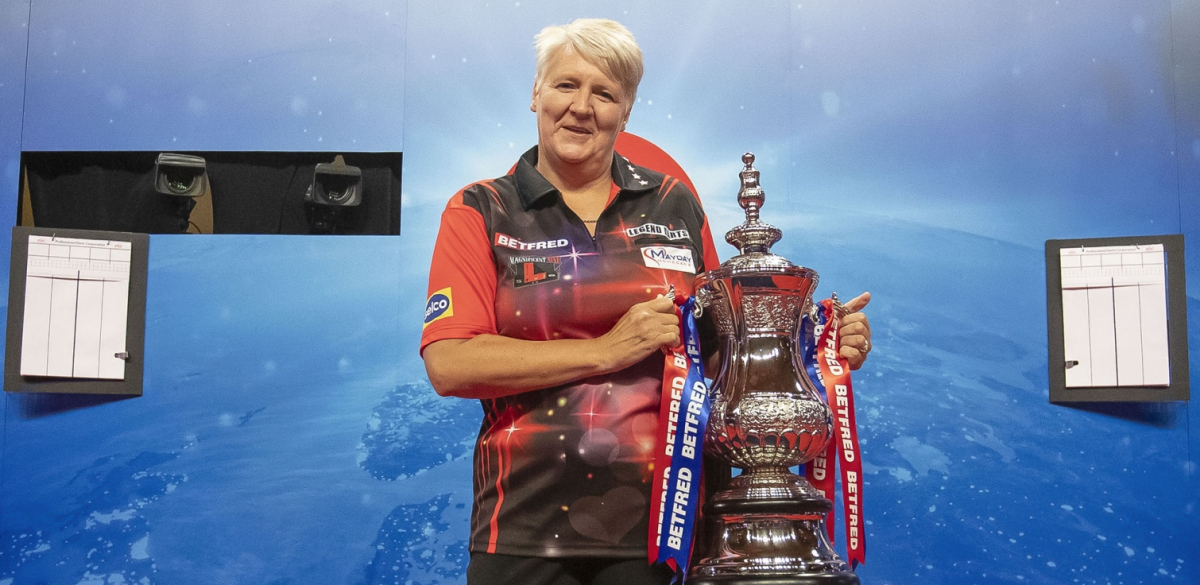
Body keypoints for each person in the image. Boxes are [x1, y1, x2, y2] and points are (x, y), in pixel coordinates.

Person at [420, 18, 872, 585]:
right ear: (535, 93)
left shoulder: (672, 203)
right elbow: (450, 362)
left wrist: (811, 352)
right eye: (565, 85)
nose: (581, 107)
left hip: (668, 531)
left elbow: (721, 352)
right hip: (521, 529)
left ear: (626, 111)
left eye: (604, 93)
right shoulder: (480, 209)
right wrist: (607, 350)